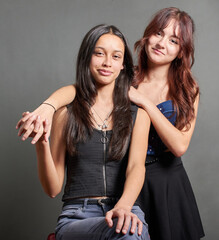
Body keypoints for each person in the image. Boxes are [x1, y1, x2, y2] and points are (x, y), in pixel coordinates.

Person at [17, 7, 205, 240]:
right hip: (126, 178)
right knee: (128, 232)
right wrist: (50, 106)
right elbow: (80, 90)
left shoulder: (186, 90)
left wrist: (144, 102)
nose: (162, 42)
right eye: (158, 33)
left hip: (163, 179)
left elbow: (178, 146)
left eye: (174, 40)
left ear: (181, 51)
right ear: (147, 36)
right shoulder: (126, 77)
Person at [17, 24, 151, 240]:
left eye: (116, 57)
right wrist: (42, 143)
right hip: (78, 217)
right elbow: (52, 189)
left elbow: (136, 167)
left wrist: (124, 206)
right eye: (99, 53)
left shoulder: (139, 116)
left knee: (129, 230)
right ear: (86, 57)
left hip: (125, 208)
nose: (107, 62)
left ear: (123, 65)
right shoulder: (66, 114)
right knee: (125, 233)